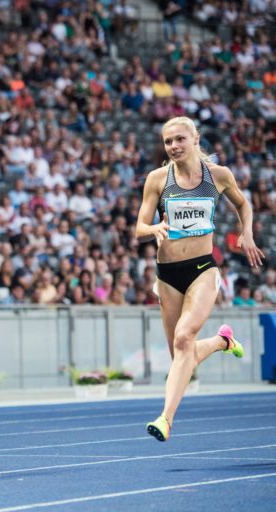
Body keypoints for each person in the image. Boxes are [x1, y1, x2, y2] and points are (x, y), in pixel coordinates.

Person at [135, 116, 264, 442]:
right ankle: (223, 341)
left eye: (180, 139)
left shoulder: (218, 176)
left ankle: (165, 418)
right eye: (168, 142)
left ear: (195, 140)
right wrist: (154, 228)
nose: (174, 146)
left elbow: (243, 203)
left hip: (202, 270)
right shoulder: (156, 179)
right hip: (167, 275)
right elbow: (139, 227)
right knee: (182, 354)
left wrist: (246, 233)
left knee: (183, 341)